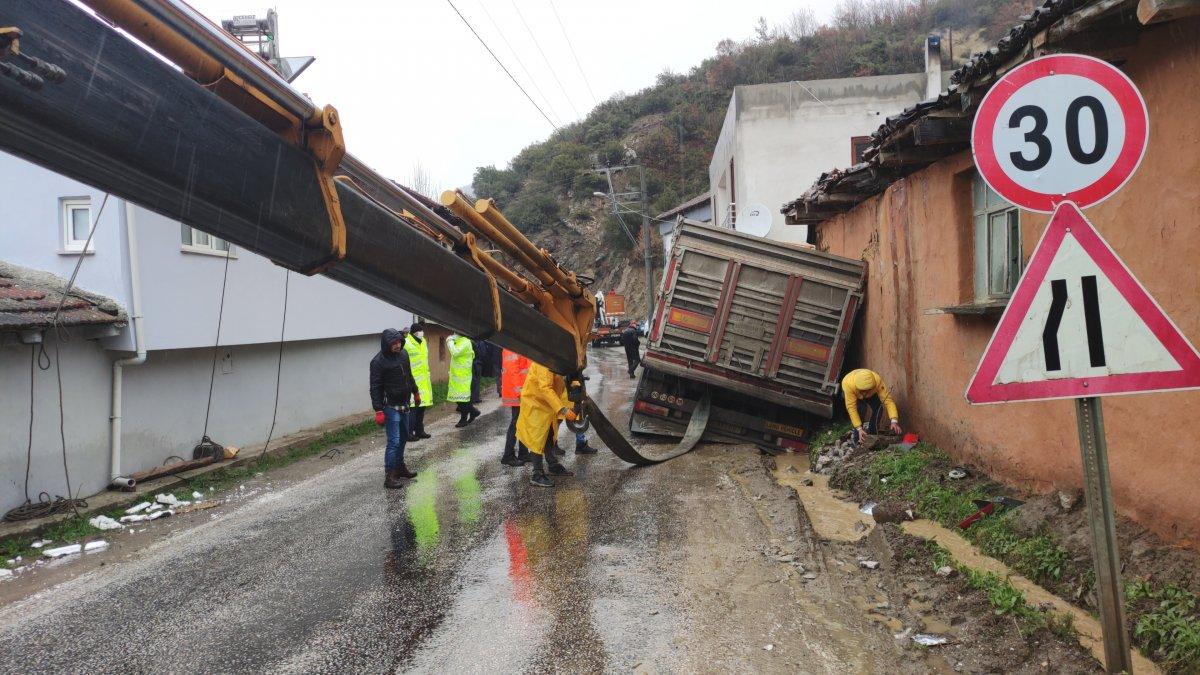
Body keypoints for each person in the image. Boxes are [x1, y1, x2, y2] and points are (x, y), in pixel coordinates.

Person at [370, 328, 420, 488]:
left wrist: (416, 391)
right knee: (394, 441)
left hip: (405, 403)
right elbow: (375, 387)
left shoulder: (404, 355)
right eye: (394, 343)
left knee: (404, 436)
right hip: (390, 405)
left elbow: (409, 375)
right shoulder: (377, 362)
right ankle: (390, 475)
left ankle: (400, 467)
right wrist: (378, 410)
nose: (398, 345)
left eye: (399, 342)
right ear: (387, 344)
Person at [516, 361, 576, 487]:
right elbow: (545, 387)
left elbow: (560, 378)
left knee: (549, 432)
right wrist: (563, 409)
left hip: (547, 404)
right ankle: (537, 473)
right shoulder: (543, 361)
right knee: (537, 437)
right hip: (535, 403)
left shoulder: (555, 358)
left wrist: (574, 383)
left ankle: (552, 463)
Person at [841, 368, 902, 445]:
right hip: (853, 392)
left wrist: (894, 421)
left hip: (871, 392)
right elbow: (851, 409)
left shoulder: (877, 381)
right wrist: (859, 428)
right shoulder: (849, 385)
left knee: (879, 408)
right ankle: (857, 440)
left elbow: (888, 401)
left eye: (868, 390)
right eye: (864, 391)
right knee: (861, 409)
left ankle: (873, 435)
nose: (865, 393)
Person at [499, 349, 532, 467]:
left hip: (522, 390)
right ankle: (507, 456)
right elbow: (513, 371)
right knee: (516, 423)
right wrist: (520, 391)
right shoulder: (512, 346)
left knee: (523, 422)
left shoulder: (517, 344)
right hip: (518, 391)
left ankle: (523, 453)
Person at [404, 321, 434, 442]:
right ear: (414, 333)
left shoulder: (423, 342)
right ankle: (409, 433)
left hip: (424, 381)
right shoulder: (406, 343)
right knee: (413, 409)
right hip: (413, 381)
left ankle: (420, 431)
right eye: (419, 331)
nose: (421, 333)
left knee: (422, 408)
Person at [446, 331, 480, 427]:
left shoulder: (465, 342)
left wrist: (449, 341)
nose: (453, 334)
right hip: (457, 376)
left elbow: (455, 352)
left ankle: (464, 419)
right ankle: (473, 411)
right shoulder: (460, 341)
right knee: (459, 399)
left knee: (463, 399)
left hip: (463, 377)